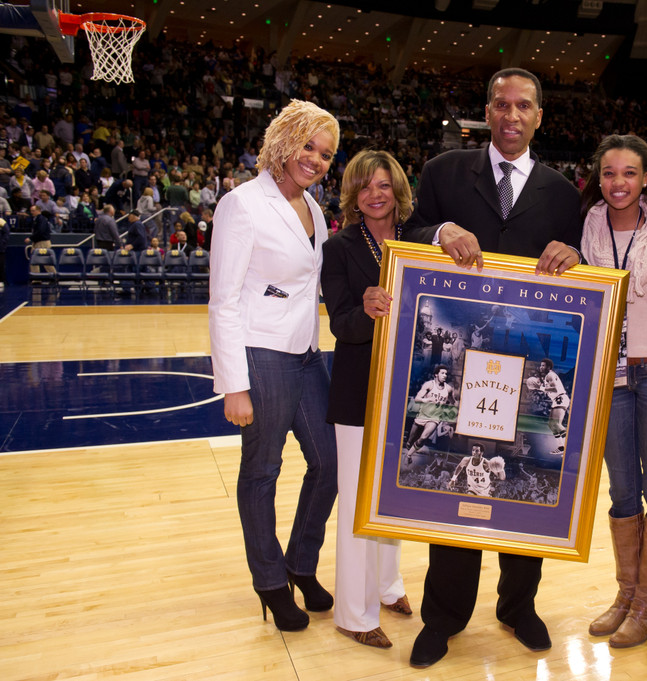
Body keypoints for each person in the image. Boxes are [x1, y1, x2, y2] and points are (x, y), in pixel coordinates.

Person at [379, 66, 582, 669]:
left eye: (523, 106)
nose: (511, 115)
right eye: (500, 105)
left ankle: (518, 606)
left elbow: (586, 281)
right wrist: (440, 229)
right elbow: (408, 231)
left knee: (527, 483)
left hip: (528, 376)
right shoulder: (445, 172)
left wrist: (573, 255)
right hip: (464, 371)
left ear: (539, 116)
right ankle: (444, 616)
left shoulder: (564, 193)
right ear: (486, 111)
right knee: (458, 477)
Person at [208, 99, 339, 633]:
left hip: (308, 355)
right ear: (283, 139)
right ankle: (269, 582)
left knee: (330, 465)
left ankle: (299, 563)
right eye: (308, 145)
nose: (315, 159)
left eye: (326, 153)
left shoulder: (314, 207)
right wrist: (234, 385)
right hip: (261, 357)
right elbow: (224, 300)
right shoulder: (241, 204)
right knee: (262, 472)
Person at [579, 134, 647, 648]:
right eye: (608, 174)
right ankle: (626, 595)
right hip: (610, 374)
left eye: (628, 173)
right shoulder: (589, 228)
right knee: (623, 489)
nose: (617, 183)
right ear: (598, 179)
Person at [321, 149, 413, 650]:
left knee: (392, 497)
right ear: (353, 195)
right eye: (363, 186)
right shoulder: (339, 249)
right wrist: (365, 309)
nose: (374, 194)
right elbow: (340, 323)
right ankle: (354, 613)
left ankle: (387, 585)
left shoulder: (420, 241)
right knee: (359, 500)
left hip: (408, 390)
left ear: (396, 188)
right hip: (358, 387)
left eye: (382, 184)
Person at [403, 364, 456, 464]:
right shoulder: (429, 385)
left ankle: (408, 455)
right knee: (410, 442)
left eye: (446, 374)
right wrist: (428, 399)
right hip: (422, 415)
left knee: (423, 437)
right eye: (442, 373)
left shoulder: (448, 389)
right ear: (436, 375)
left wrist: (446, 410)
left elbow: (453, 403)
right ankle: (409, 452)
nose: (445, 375)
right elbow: (418, 399)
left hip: (434, 418)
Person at [527, 358, 571, 456]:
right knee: (551, 425)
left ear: (549, 367)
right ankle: (561, 447)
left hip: (560, 398)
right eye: (541, 365)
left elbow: (555, 389)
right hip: (556, 400)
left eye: (543, 365)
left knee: (557, 423)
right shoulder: (547, 377)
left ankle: (569, 446)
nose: (541, 367)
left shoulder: (550, 375)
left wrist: (540, 388)